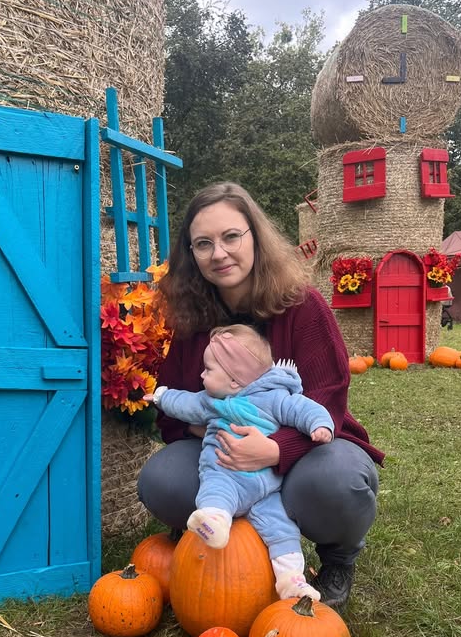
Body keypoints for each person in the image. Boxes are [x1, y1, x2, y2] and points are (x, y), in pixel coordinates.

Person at [137, 181, 384, 611]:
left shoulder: (303, 307)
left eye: (232, 236)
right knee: (162, 481)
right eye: (203, 243)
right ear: (191, 254)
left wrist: (271, 449)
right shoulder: (192, 320)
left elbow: (328, 402)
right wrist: (222, 427)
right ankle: (226, 533)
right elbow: (171, 416)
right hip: (224, 453)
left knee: (338, 482)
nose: (219, 253)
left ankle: (338, 558)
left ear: (255, 236)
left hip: (307, 448)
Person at [145, 324, 334, 602]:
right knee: (218, 488)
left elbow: (304, 408)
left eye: (208, 370)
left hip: (265, 484)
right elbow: (184, 403)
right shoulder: (214, 400)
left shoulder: (275, 397)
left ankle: (292, 581)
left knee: (281, 528)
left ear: (234, 381)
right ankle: (215, 521)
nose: (201, 375)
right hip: (230, 473)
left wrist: (320, 425)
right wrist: (162, 397)